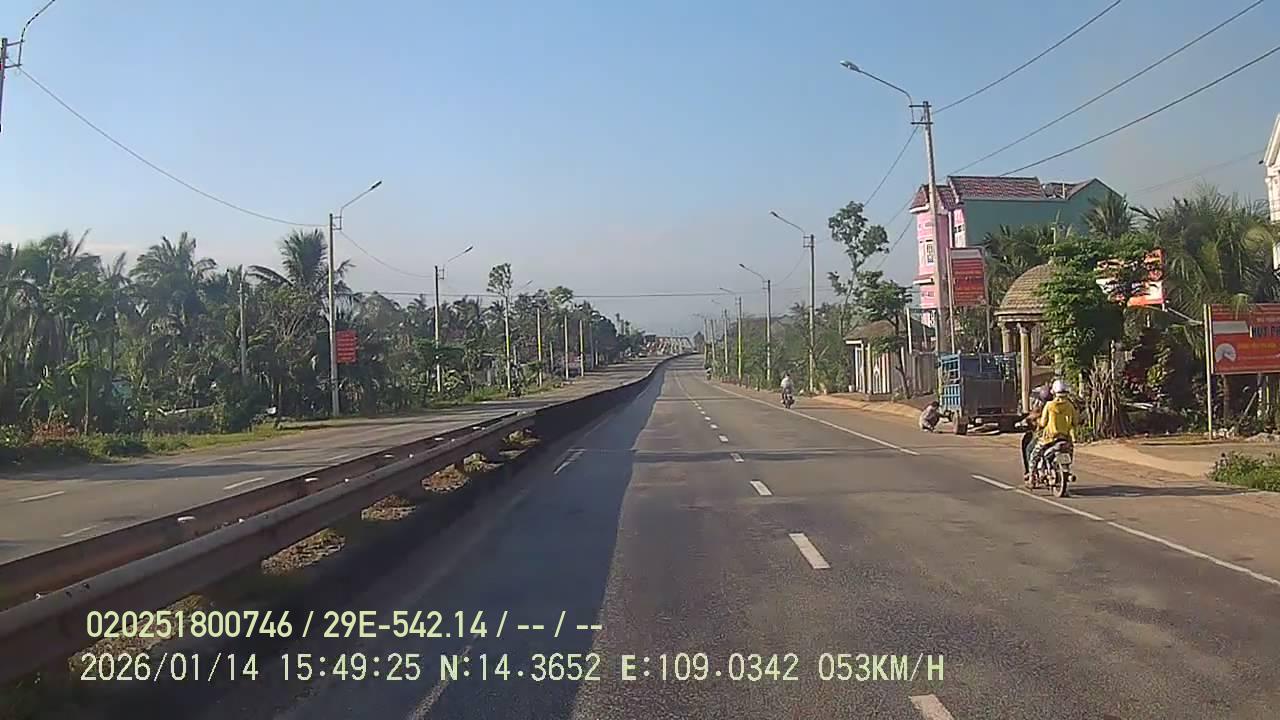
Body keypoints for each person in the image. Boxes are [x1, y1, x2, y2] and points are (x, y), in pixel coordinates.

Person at [1026, 380, 1079, 486]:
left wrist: (1037, 422)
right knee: (1069, 451)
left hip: (1049, 439)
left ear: (1053, 392)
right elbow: (1075, 422)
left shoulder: (1049, 406)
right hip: (1065, 438)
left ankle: (1031, 476)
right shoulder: (1070, 406)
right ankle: (1066, 470)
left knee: (1034, 455)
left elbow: (1043, 422)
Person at [1020, 384, 1053, 474]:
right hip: (1061, 434)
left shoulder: (1046, 407)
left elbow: (1036, 416)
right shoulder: (1062, 404)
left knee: (1029, 449)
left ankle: (1030, 473)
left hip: (1045, 435)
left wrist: (1025, 421)